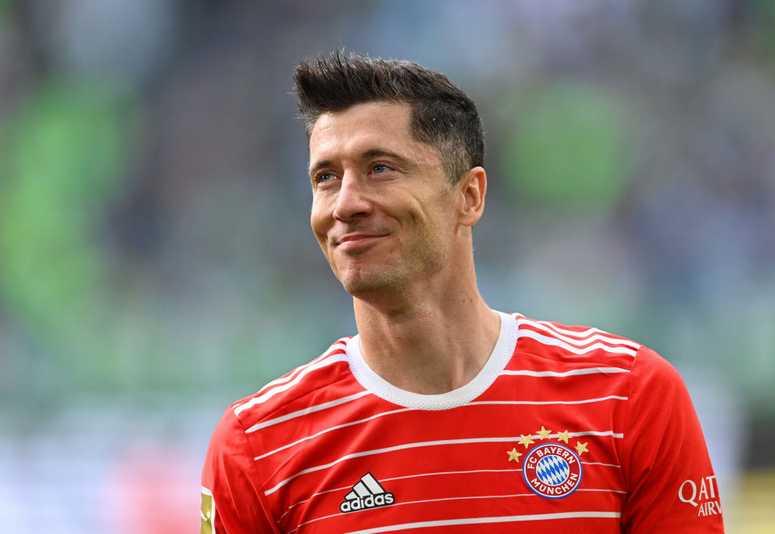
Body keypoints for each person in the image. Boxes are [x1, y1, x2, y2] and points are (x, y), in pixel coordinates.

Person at [201, 51, 724, 533]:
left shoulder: (626, 396)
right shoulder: (258, 444)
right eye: (326, 178)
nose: (346, 204)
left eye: (380, 168)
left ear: (469, 196)